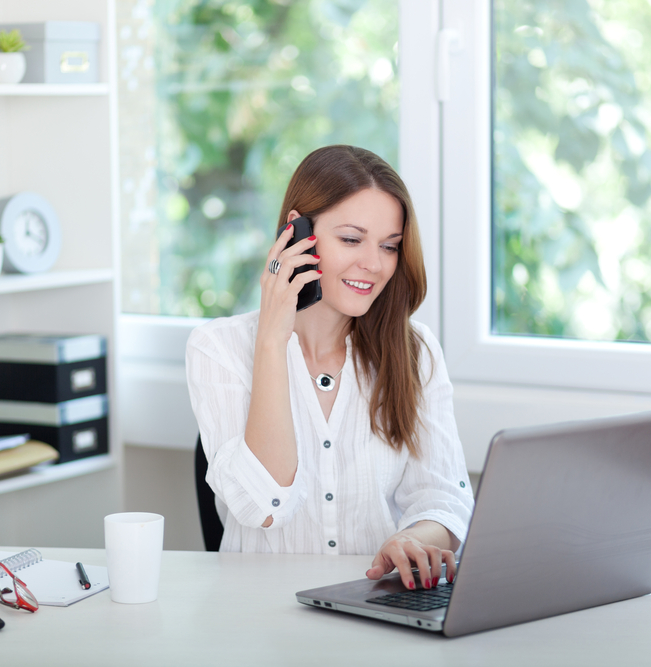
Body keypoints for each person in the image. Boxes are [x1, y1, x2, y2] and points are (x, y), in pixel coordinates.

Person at [185, 145, 473, 590]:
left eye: (390, 246)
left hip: (378, 605)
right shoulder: (218, 348)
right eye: (352, 240)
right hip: (256, 618)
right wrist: (272, 340)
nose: (374, 265)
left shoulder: (416, 352)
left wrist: (415, 538)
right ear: (298, 234)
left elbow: (446, 500)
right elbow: (265, 505)